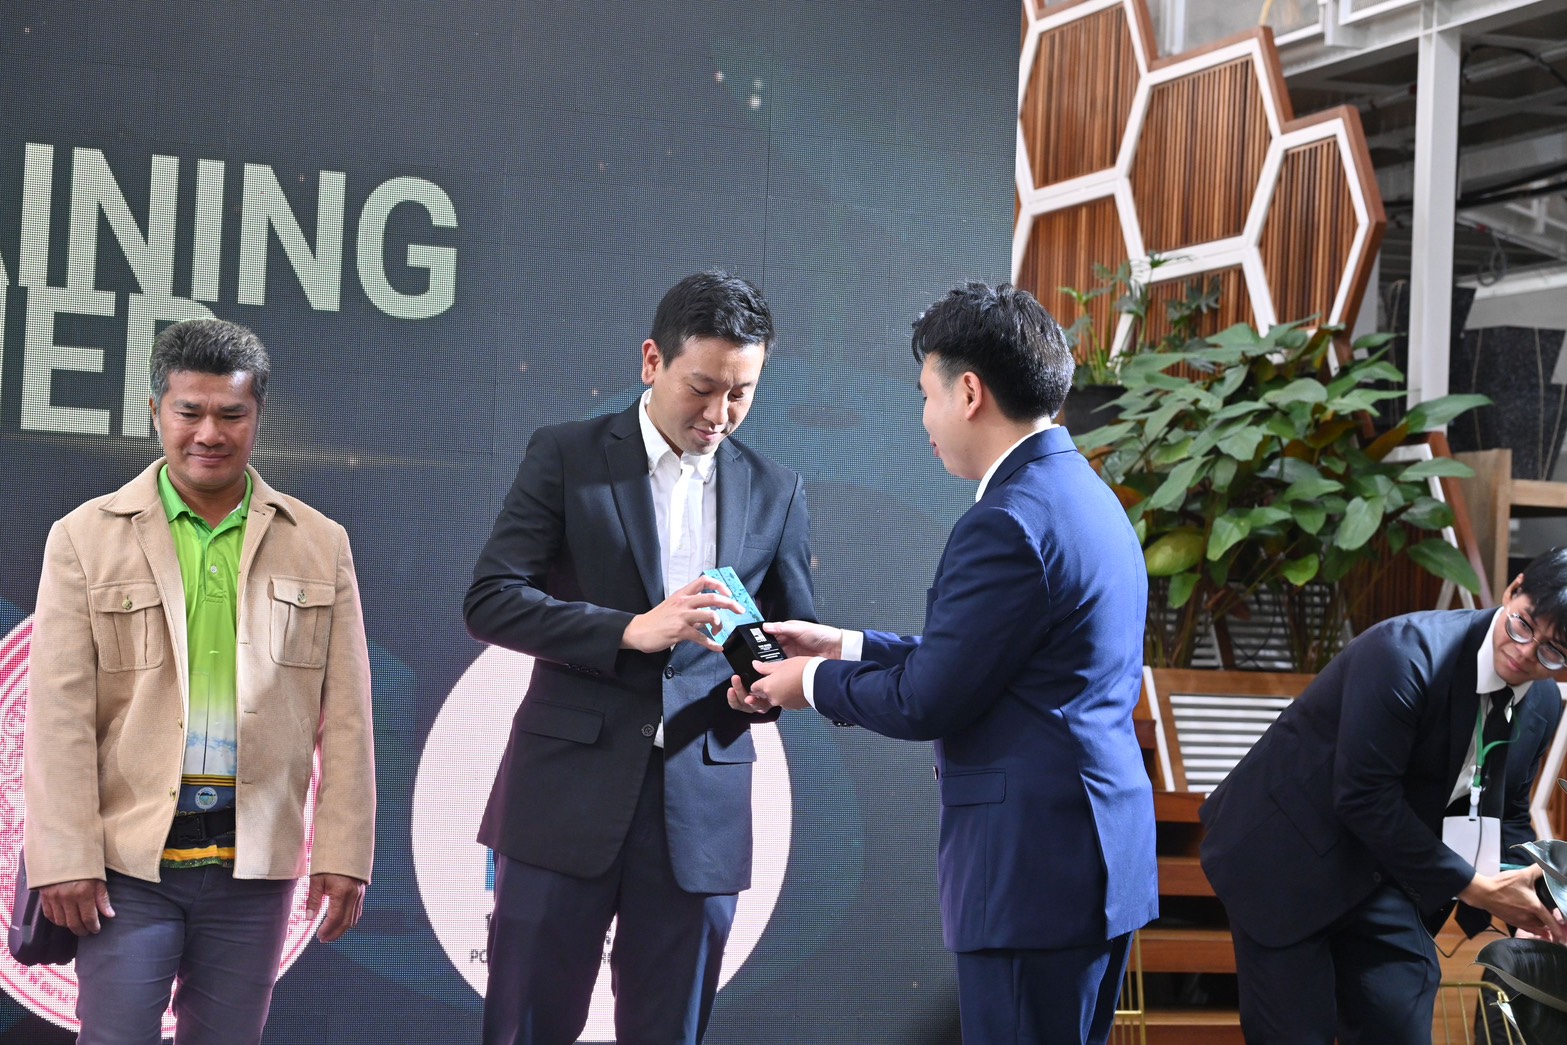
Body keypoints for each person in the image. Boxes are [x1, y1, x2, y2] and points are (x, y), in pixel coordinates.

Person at [730, 281, 1157, 1045]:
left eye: (924, 395)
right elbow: (995, 664)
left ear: (968, 392)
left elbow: (929, 698)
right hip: (1092, 861)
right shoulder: (1085, 496)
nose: (924, 418)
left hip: (1027, 874)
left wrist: (807, 683)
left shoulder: (1005, 520)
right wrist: (844, 645)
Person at [464, 270, 817, 1045]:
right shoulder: (567, 454)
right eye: (702, 387)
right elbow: (490, 599)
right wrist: (631, 629)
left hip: (701, 812)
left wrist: (765, 689)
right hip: (563, 799)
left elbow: (789, 638)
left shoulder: (776, 490)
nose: (719, 414)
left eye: (741, 393)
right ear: (652, 360)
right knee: (525, 1027)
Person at [23, 318, 376, 1044]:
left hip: (255, 872)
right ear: (155, 410)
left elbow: (347, 716)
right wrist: (63, 856)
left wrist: (344, 854)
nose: (209, 433)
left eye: (231, 414)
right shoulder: (84, 538)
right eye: (189, 412)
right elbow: (57, 715)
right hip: (126, 869)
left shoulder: (320, 543)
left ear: (258, 415)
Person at [1198, 550, 1567, 1044]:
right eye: (1523, 626)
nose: (1525, 652)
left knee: (1399, 1024)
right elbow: (1364, 795)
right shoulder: (1406, 653)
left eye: (1552, 652)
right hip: (1287, 856)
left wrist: (1540, 900)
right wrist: (1473, 887)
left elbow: (1509, 811)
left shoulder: (1542, 702)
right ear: (1512, 589)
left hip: (1386, 869)